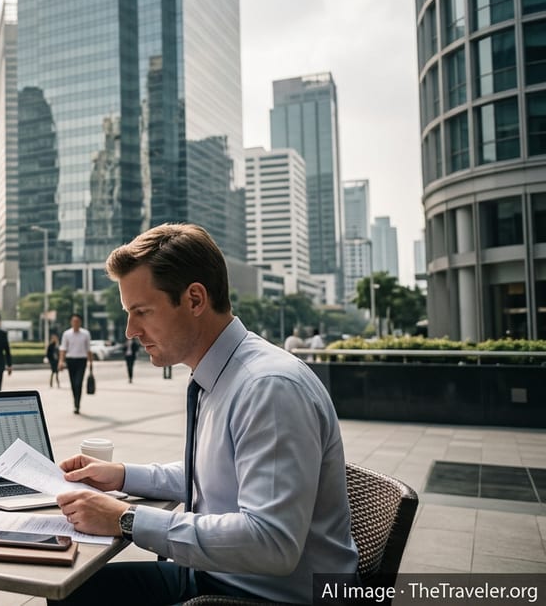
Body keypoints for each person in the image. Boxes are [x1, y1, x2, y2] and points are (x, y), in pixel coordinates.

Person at [53, 224, 358, 605]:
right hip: (223, 578)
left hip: (266, 597)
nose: (131, 330)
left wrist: (125, 519)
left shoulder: (268, 388)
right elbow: (216, 474)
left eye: (141, 311)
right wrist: (123, 476)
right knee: (73, 590)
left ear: (195, 299)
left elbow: (272, 542)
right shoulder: (222, 374)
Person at [58, 314, 92, 414]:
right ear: (71, 322)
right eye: (73, 321)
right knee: (73, 384)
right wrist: (61, 361)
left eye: (77, 321)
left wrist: (91, 363)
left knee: (79, 383)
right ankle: (75, 403)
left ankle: (77, 404)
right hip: (70, 360)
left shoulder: (85, 334)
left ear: (80, 322)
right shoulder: (66, 334)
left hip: (82, 360)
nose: (75, 323)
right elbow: (63, 349)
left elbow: (88, 349)